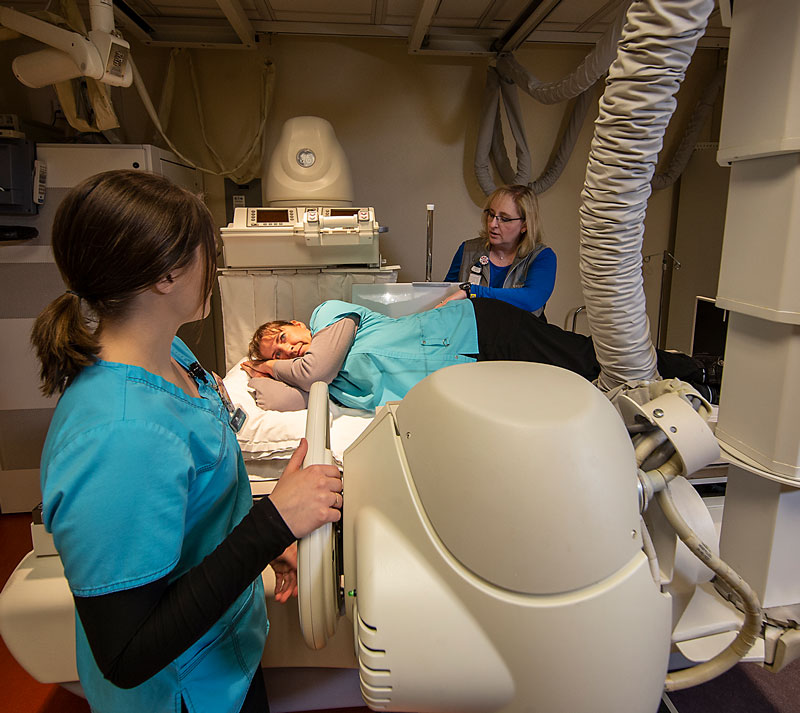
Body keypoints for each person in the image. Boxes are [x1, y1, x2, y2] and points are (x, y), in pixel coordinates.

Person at [30, 170, 343, 713]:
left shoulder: (175, 357)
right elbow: (127, 654)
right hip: (183, 694)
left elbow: (202, 498)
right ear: (167, 276)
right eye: (209, 259)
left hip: (225, 654)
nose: (213, 274)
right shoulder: (119, 435)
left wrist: (265, 546)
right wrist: (273, 524)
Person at [241, 297, 712, 412]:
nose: (286, 347)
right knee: (579, 386)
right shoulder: (329, 388)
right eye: (276, 349)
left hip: (479, 328)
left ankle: (695, 370)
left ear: (298, 323)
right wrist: (262, 378)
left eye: (282, 335)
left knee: (585, 357)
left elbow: (314, 367)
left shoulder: (329, 315)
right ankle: (671, 394)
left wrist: (271, 366)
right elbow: (292, 397)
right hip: (472, 372)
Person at [439, 184, 556, 317]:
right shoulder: (467, 250)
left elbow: (532, 299)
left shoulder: (542, 257)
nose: (493, 224)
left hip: (519, 335)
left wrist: (473, 292)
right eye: (491, 214)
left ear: (524, 225)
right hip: (473, 333)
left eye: (504, 219)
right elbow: (446, 296)